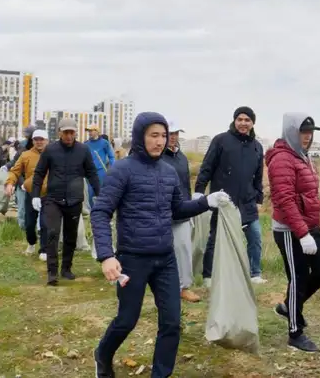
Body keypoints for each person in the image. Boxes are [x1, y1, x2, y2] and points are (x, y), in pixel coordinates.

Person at [92, 112, 229, 378]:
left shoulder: (168, 171)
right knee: (127, 319)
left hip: (165, 258)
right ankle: (103, 354)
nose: (160, 141)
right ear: (140, 137)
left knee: (172, 323)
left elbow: (177, 209)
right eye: (154, 135)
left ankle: (161, 374)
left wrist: (206, 202)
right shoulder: (122, 170)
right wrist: (107, 256)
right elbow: (100, 212)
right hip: (132, 259)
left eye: (163, 135)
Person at [266, 113, 320, 352]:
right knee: (299, 277)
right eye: (303, 132)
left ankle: (288, 306)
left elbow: (309, 198)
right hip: (288, 229)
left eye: (310, 132)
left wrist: (317, 231)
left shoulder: (303, 157)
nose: (307, 137)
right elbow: (285, 200)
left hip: (308, 227)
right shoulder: (282, 159)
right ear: (291, 132)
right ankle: (295, 333)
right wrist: (302, 234)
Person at [194, 106, 266, 286]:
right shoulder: (221, 140)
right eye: (240, 119)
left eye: (247, 120)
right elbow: (207, 166)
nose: (243, 123)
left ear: (252, 123)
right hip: (224, 200)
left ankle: (254, 273)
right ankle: (208, 276)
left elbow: (258, 176)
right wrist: (199, 191)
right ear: (235, 121)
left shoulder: (257, 147)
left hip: (248, 201)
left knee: (255, 236)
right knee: (215, 238)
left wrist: (258, 198)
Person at [31, 118, 101, 285]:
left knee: (71, 236)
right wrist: (35, 195)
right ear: (60, 133)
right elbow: (40, 173)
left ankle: (66, 268)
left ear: (76, 133)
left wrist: (100, 194)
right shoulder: (50, 150)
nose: (69, 136)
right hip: (53, 199)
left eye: (72, 132)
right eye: (66, 132)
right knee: (52, 233)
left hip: (74, 199)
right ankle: (52, 273)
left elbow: (91, 173)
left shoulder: (83, 150)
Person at [160, 120, 201, 303]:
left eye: (176, 133)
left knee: (183, 249)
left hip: (182, 212)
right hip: (161, 212)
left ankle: (183, 287)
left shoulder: (182, 158)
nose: (173, 137)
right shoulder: (157, 157)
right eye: (170, 133)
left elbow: (185, 185)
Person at [6, 130, 50, 261]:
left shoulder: (53, 154)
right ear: (33, 141)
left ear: (47, 140)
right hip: (31, 193)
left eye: (42, 139)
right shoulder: (26, 155)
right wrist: (10, 183)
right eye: (36, 139)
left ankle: (44, 249)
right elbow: (15, 171)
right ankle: (31, 243)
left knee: (45, 223)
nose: (39, 142)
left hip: (49, 194)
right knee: (29, 223)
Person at [6, 125, 37, 230]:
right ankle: (22, 228)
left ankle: (36, 228)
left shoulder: (42, 150)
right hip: (21, 182)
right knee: (22, 208)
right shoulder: (22, 148)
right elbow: (15, 163)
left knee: (36, 207)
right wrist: (6, 167)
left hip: (36, 183)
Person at [85, 125, 115, 206]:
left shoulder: (104, 143)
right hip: (90, 173)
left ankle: (102, 211)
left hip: (101, 171)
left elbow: (111, 156)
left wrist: (111, 168)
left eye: (91, 131)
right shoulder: (86, 144)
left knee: (101, 193)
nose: (90, 133)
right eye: (89, 131)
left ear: (97, 131)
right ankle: (92, 213)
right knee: (90, 194)